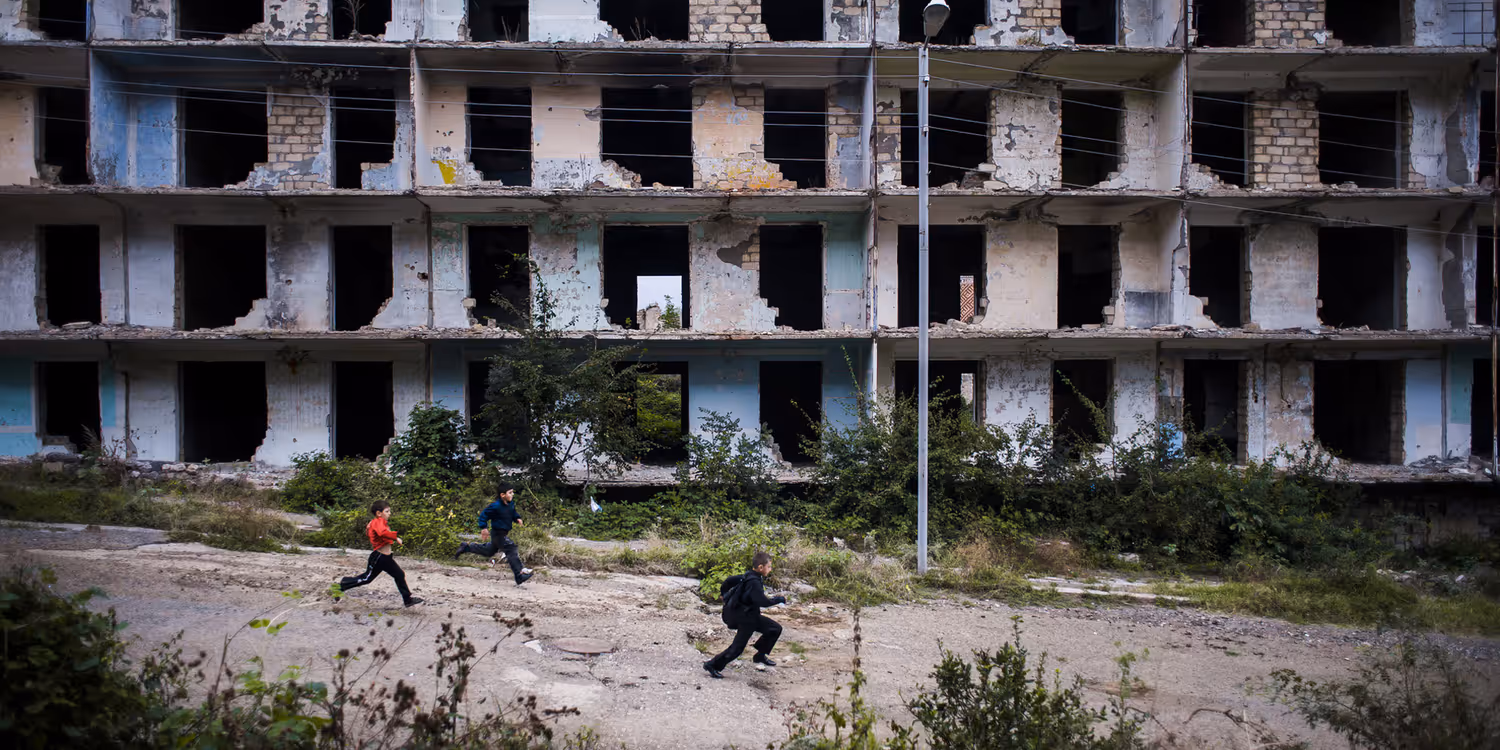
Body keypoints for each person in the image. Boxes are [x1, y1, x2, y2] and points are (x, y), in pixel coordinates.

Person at [703, 551, 785, 679]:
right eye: (769, 566)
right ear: (761, 567)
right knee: (737, 648)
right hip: (744, 618)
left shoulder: (748, 575)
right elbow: (762, 602)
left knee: (775, 629)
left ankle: (760, 655)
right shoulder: (754, 582)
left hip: (749, 615)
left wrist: (724, 594)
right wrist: (778, 599)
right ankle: (712, 665)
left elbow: (728, 581)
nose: (771, 569)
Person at [336, 500, 423, 607]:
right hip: (379, 558)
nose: (389, 513)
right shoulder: (378, 521)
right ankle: (340, 586)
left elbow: (378, 533)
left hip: (387, 558)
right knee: (366, 579)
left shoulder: (378, 522)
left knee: (399, 575)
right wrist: (396, 537)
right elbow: (382, 533)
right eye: (387, 511)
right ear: (379, 513)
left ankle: (408, 600)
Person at [455, 483, 533, 586]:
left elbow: (512, 513)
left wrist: (517, 518)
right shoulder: (495, 506)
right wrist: (484, 527)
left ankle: (467, 547)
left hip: (502, 533)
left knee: (489, 551)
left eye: (512, 492)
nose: (512, 494)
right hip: (498, 533)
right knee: (511, 548)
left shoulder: (510, 504)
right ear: (502, 495)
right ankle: (519, 575)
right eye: (510, 493)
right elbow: (484, 515)